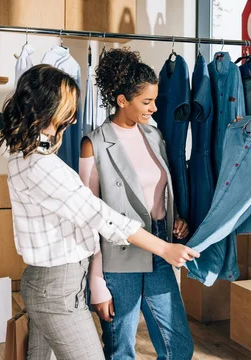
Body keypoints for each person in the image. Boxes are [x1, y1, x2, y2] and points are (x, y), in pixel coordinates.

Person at [0, 63, 199, 360]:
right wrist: (164, 249)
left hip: (56, 282)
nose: (73, 116)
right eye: (68, 108)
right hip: (59, 287)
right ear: (49, 108)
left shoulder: (27, 155)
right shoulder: (44, 164)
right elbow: (102, 217)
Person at [79, 48, 195, 360]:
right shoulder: (95, 143)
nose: (155, 108)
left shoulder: (154, 135)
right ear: (121, 100)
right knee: (122, 352)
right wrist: (97, 279)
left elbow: (157, 189)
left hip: (158, 246)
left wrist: (174, 218)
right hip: (117, 257)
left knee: (179, 348)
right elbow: (89, 216)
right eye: (147, 102)